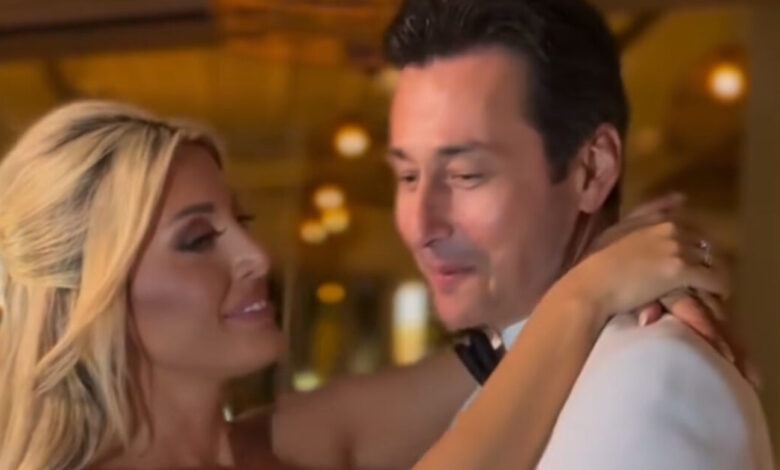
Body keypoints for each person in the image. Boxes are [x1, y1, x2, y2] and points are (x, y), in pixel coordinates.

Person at [0, 100, 731, 469]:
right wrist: (588, 293)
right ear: (94, 297)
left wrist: (603, 266)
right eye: (197, 240)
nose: (255, 254)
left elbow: (488, 365)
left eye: (239, 221)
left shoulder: (268, 445)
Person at [380, 0, 775, 468]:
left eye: (466, 175)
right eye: (408, 176)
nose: (421, 226)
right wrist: (586, 291)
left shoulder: (646, 385)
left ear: (592, 170)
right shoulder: (511, 391)